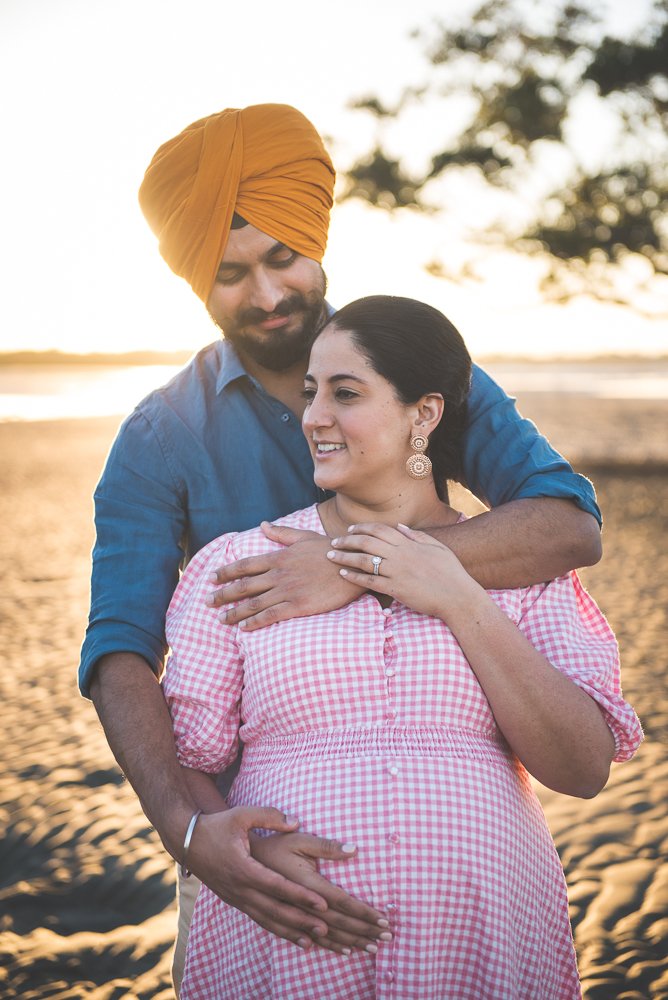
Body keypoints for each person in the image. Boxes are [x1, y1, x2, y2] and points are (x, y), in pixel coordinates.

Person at [79, 105, 604, 984]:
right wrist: (193, 832)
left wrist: (353, 565)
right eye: (231, 274)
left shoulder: (421, 374)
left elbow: (566, 522)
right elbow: (121, 644)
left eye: (282, 257)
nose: (267, 293)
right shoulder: (160, 434)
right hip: (261, 856)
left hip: (475, 873)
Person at [162, 294, 642, 999]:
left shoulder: (523, 573)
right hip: (289, 938)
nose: (314, 416)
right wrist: (243, 852)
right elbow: (184, 760)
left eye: (345, 393)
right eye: (310, 393)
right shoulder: (243, 566)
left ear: (424, 414)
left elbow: (582, 768)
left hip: (483, 935)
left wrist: (454, 592)